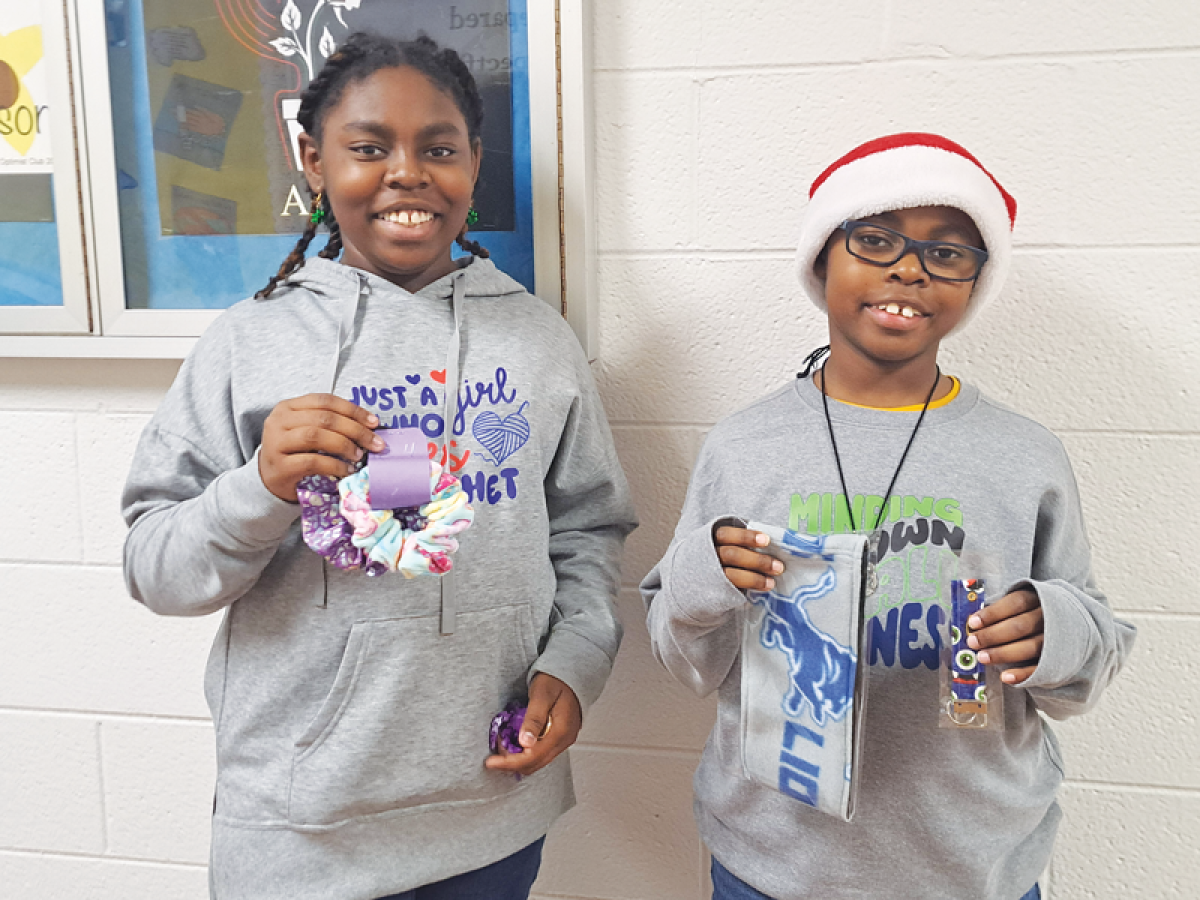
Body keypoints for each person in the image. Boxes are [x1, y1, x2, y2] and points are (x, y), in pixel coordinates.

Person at [122, 32, 636, 900]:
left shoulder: (541, 342)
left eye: (439, 148)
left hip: (494, 808)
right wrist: (260, 488)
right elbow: (155, 570)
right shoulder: (249, 343)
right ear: (312, 161)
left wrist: (573, 664)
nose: (407, 173)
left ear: (474, 163)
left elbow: (588, 528)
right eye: (368, 148)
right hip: (302, 830)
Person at [640, 133, 1135, 900]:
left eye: (948, 253)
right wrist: (705, 575)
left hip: (973, 869)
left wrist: (1054, 630)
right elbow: (685, 661)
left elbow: (1093, 656)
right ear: (821, 259)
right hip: (773, 865)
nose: (908, 268)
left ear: (976, 282)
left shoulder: (1023, 455)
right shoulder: (744, 445)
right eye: (875, 239)